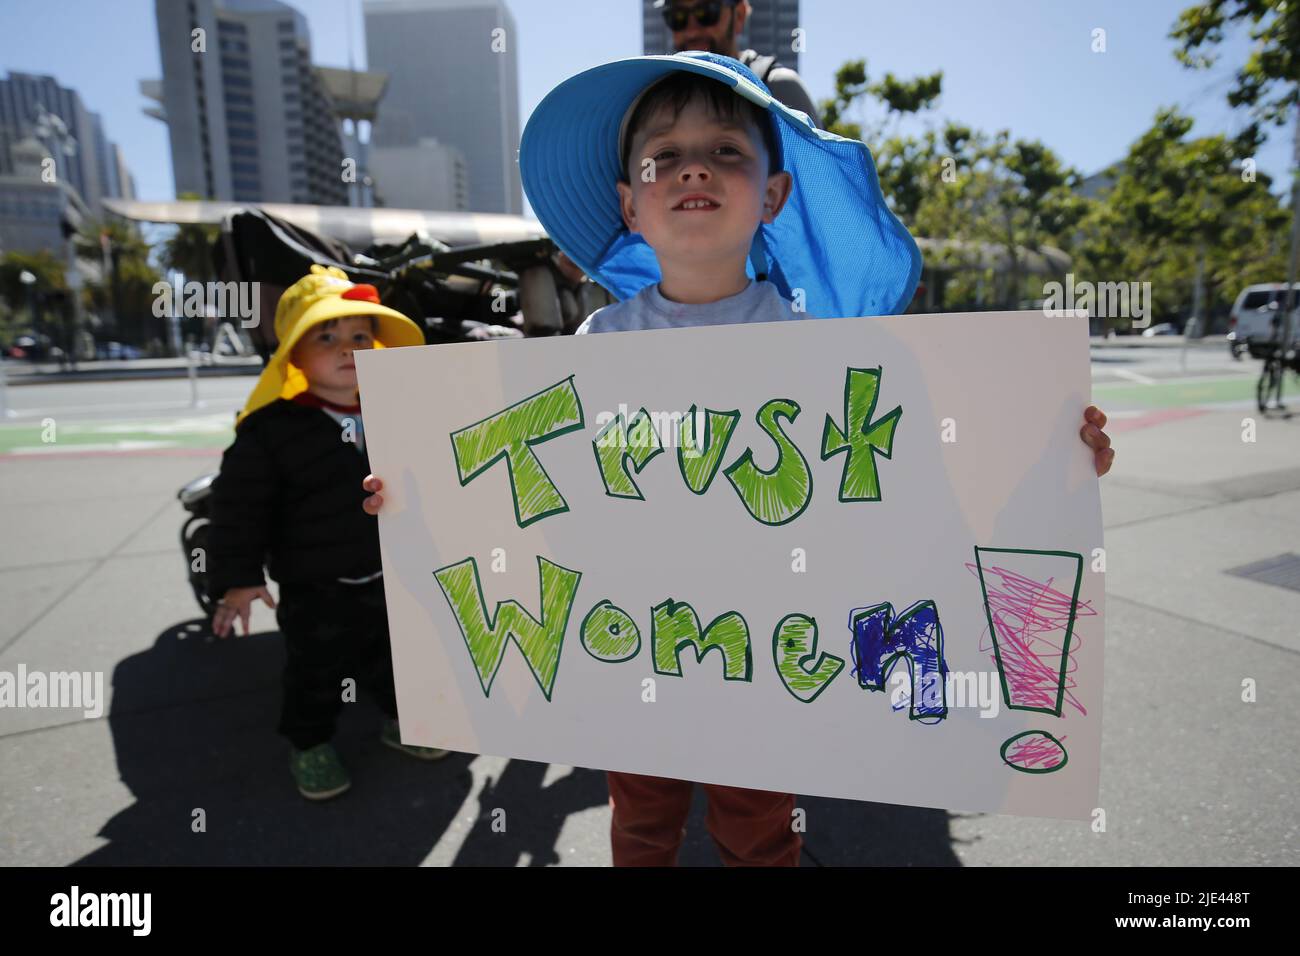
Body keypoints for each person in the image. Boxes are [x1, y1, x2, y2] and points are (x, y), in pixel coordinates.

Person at [364, 52, 1114, 863]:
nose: (693, 167)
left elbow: (925, 485)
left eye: (727, 151)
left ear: (773, 196)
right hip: (632, 651)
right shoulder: (593, 346)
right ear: (629, 203)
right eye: (663, 155)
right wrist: (415, 499)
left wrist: (1054, 463)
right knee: (640, 821)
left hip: (768, 660)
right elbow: (536, 492)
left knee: (759, 831)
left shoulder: (816, 352)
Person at [209, 264, 450, 802]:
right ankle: (310, 741)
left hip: (392, 574)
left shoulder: (400, 413)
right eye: (327, 336)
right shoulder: (271, 430)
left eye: (360, 336)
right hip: (315, 584)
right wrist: (238, 578)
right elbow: (238, 509)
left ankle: (398, 719)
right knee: (316, 669)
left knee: (398, 658)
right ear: (292, 354)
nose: (348, 349)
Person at [658, 0, 821, 126]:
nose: (692, 31)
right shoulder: (657, 100)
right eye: (677, 17)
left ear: (739, 15)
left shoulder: (777, 88)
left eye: (707, 12)